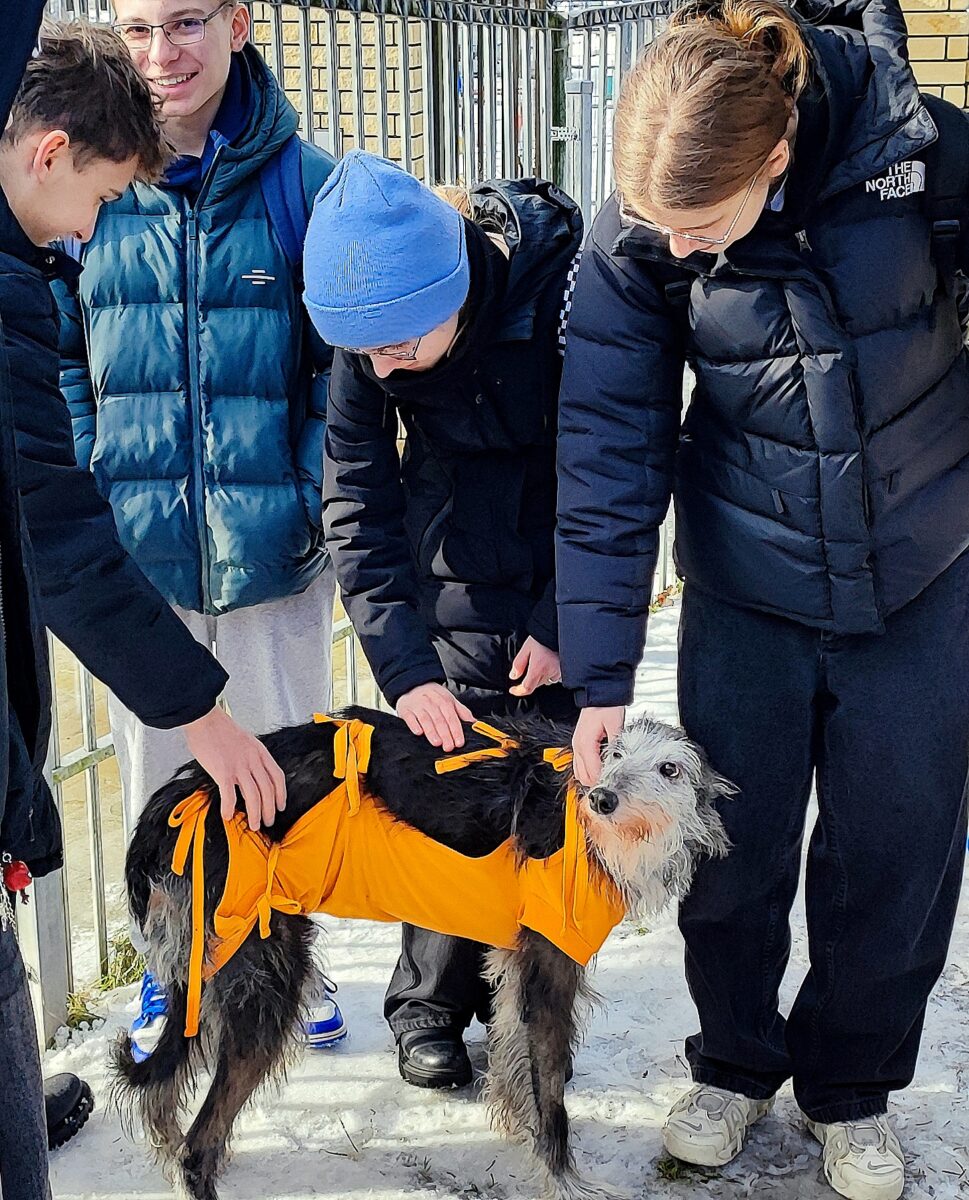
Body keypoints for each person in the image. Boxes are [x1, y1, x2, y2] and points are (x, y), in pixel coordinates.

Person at [555, 1, 969, 1197]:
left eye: (702, 227)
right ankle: (733, 1064)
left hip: (924, 572)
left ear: (776, 157)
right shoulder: (642, 227)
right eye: (661, 228)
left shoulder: (925, 158)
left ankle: (853, 1090)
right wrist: (599, 675)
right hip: (747, 582)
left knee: (894, 854)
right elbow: (608, 444)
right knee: (728, 848)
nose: (680, 250)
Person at [0, 13, 291, 1195]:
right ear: (48, 154)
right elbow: (59, 535)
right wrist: (202, 717)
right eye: (99, 199)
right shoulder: (17, 282)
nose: (92, 230)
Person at [54, 0, 345, 1053]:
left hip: (275, 554)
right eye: (137, 29)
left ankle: (281, 965)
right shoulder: (88, 177)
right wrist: (96, 478)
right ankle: (170, 968)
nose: (161, 53)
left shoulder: (304, 184)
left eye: (185, 22)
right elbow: (59, 351)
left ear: (239, 22)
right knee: (156, 785)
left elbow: (339, 372)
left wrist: (306, 496)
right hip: (139, 562)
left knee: (281, 772)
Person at [303, 150, 582, 1087]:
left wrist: (566, 619)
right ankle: (426, 1006)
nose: (381, 365)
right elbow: (355, 504)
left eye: (398, 346)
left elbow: (608, 471)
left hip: (558, 576)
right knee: (447, 800)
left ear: (451, 289)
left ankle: (532, 1015)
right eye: (365, 352)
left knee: (551, 813)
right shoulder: (368, 343)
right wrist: (406, 669)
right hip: (448, 577)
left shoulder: (563, 299)